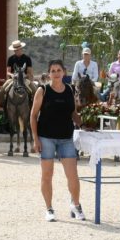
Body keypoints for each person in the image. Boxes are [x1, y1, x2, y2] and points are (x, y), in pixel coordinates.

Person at [29, 60, 83, 222]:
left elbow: (73, 113)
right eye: (53, 70)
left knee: (73, 175)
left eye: (59, 70)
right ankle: (49, 208)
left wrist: (85, 122)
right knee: (47, 175)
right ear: (49, 73)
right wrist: (35, 139)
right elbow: (33, 116)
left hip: (66, 137)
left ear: (64, 72)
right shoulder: (42, 90)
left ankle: (76, 204)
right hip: (46, 138)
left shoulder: (70, 90)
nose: (56, 73)